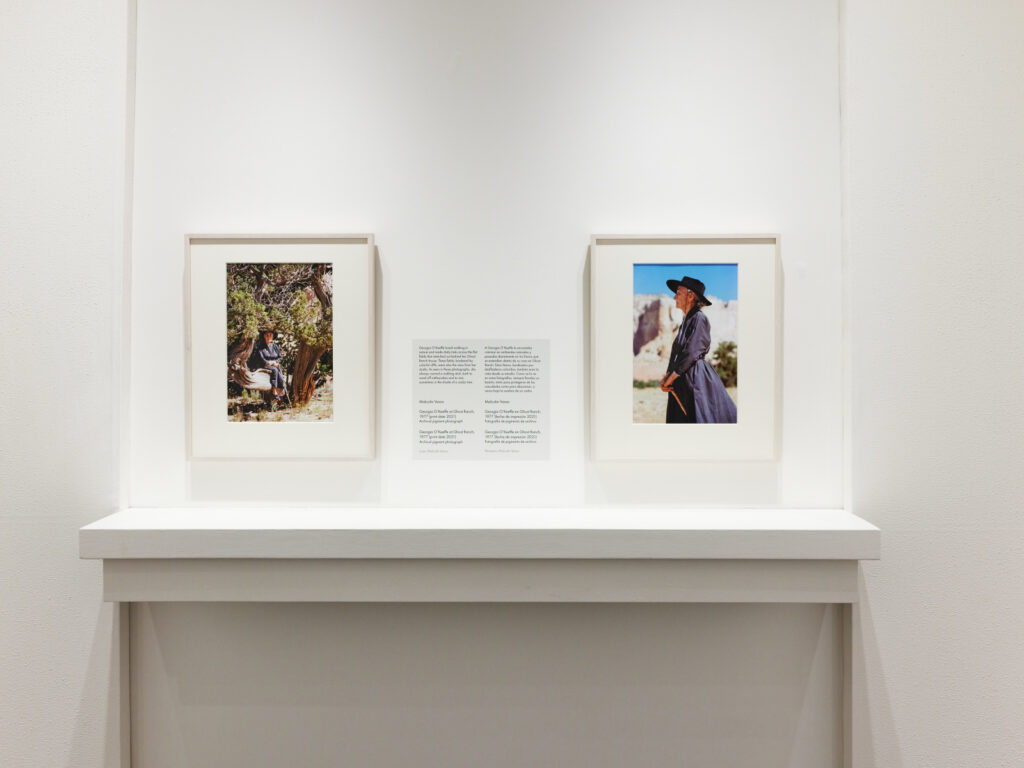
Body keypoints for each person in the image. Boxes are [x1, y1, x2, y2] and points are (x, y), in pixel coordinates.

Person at [660, 276, 737, 424]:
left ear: (690, 296)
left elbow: (692, 351)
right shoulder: (686, 321)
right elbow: (678, 355)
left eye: (678, 293)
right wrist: (667, 377)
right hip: (682, 381)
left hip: (696, 380)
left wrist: (670, 379)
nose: (675, 297)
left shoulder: (699, 318)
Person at [250, 329, 287, 401]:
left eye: (270, 335)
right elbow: (261, 357)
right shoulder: (260, 346)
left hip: (274, 364)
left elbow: (279, 357)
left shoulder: (275, 346)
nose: (269, 337)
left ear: (273, 336)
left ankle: (281, 390)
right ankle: (275, 390)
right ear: (264, 336)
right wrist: (267, 362)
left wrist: (275, 362)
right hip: (264, 365)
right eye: (267, 335)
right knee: (275, 370)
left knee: (279, 373)